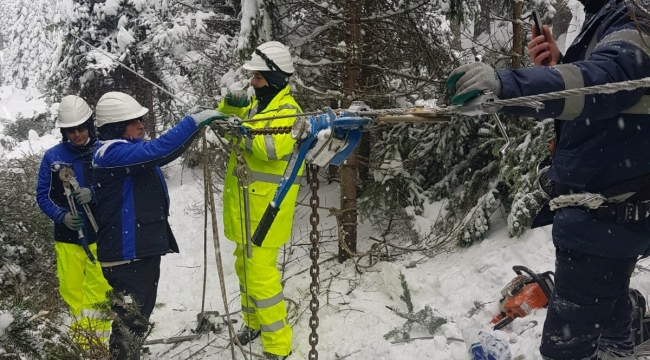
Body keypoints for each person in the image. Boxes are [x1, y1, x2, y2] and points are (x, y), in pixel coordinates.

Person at [446, 0, 650, 359]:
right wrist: (560, 65)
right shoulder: (610, 14)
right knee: (608, 308)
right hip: (605, 214)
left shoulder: (636, 12)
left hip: (605, 216)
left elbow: (610, 81)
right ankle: (619, 349)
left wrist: (509, 86)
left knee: (565, 348)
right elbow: (609, 90)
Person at [91, 91, 225, 360]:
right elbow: (159, 151)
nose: (142, 124)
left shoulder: (123, 151)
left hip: (136, 251)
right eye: (135, 121)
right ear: (118, 127)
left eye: (141, 119)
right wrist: (191, 123)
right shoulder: (110, 153)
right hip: (126, 254)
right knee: (129, 322)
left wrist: (195, 128)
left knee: (136, 318)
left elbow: (161, 151)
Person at [217, 41, 303, 360]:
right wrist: (230, 104)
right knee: (244, 267)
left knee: (261, 276)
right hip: (245, 207)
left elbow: (270, 148)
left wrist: (239, 130)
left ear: (277, 78)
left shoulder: (289, 112)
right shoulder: (257, 107)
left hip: (267, 210)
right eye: (252, 78)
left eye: (258, 78)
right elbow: (225, 121)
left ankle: (278, 344)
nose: (253, 83)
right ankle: (253, 322)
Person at [36, 95, 112, 345]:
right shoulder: (53, 158)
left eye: (81, 128)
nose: (77, 134)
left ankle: (96, 345)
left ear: (89, 126)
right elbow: (43, 195)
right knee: (72, 292)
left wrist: (95, 192)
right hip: (68, 239)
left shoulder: (105, 150)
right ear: (64, 131)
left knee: (99, 291)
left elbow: (117, 187)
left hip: (100, 235)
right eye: (71, 130)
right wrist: (61, 216)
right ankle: (84, 342)